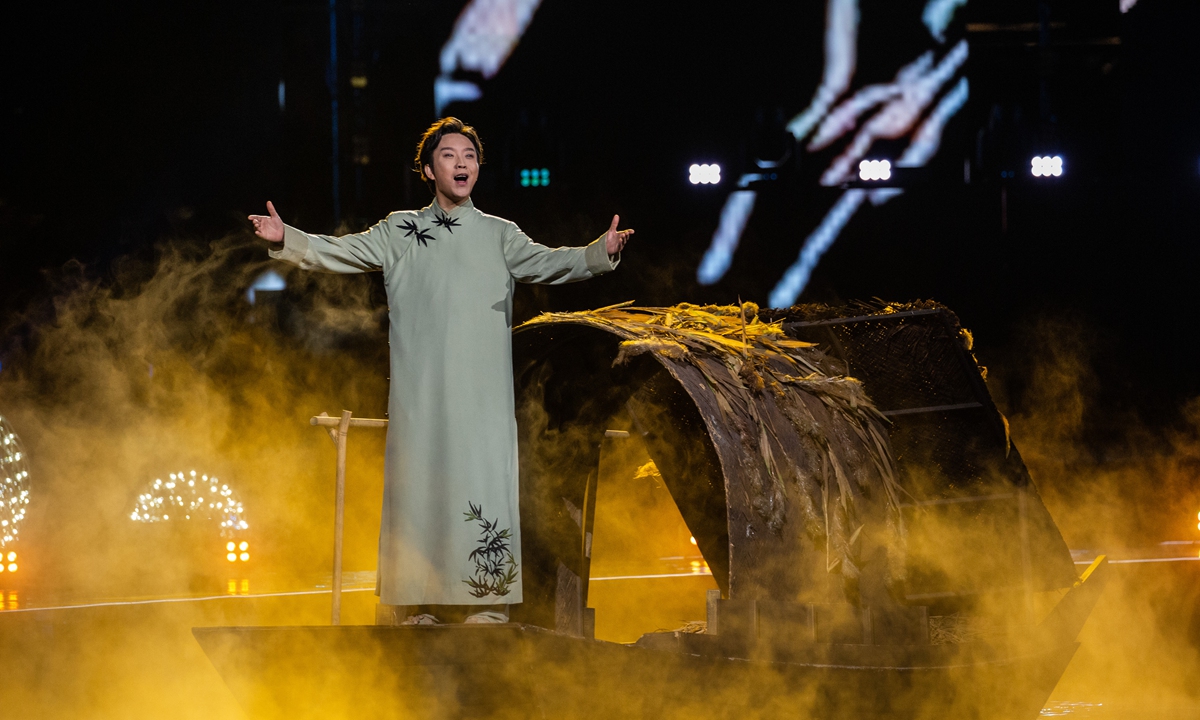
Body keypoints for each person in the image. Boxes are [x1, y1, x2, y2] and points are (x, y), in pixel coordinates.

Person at [249, 117, 632, 625]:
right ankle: (417, 604)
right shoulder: (399, 230)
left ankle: (487, 605)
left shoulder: (499, 234)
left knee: (481, 486)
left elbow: (548, 263)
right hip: (420, 395)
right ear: (428, 170)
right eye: (449, 156)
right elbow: (340, 250)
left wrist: (597, 253)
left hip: (482, 400)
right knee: (419, 488)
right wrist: (287, 238)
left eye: (470, 157)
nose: (462, 164)